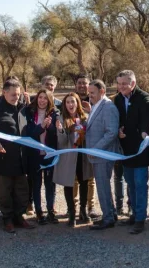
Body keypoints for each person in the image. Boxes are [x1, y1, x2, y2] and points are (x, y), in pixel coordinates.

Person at [0, 79, 34, 233]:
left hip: (20, 159)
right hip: (3, 159)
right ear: (4, 92)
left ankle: (19, 216)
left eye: (18, 95)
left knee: (21, 190)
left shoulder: (23, 109)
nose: (16, 97)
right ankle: (7, 218)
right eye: (13, 94)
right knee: (5, 191)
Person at [114, 70, 149, 235]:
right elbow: (117, 119)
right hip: (125, 150)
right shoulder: (117, 99)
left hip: (140, 150)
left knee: (140, 184)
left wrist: (144, 133)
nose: (121, 87)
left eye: (124, 83)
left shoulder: (144, 98)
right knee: (130, 182)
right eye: (119, 83)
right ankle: (134, 213)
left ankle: (140, 219)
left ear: (133, 83)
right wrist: (118, 130)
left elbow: (146, 120)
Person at [53, 92, 93, 227]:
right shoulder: (61, 118)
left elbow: (91, 137)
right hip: (69, 156)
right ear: (65, 104)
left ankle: (83, 210)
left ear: (78, 103)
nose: (71, 104)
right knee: (68, 183)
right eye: (68, 102)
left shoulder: (84, 118)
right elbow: (62, 142)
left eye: (73, 102)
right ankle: (71, 212)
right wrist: (60, 130)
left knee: (84, 181)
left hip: (82, 156)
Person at [86, 80, 120, 231]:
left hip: (102, 154)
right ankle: (110, 213)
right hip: (97, 154)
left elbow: (111, 132)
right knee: (103, 186)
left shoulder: (108, 107)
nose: (89, 95)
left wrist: (96, 149)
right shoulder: (96, 105)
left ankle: (108, 219)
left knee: (102, 186)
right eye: (89, 93)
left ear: (102, 91)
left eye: (92, 93)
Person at [23, 88, 59, 225]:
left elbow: (56, 135)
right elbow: (28, 134)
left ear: (49, 100)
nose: (42, 100)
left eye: (45, 98)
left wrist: (51, 127)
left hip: (49, 155)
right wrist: (41, 127)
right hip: (34, 155)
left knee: (50, 184)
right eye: (40, 97)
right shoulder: (29, 113)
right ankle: (39, 212)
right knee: (36, 184)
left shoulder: (55, 113)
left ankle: (51, 210)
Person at [73, 74, 97, 218]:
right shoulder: (71, 100)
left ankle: (91, 206)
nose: (82, 85)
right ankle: (75, 206)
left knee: (90, 178)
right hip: (74, 144)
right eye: (80, 83)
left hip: (90, 144)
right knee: (74, 177)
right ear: (76, 84)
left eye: (85, 83)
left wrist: (90, 111)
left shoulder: (94, 101)